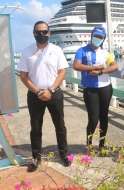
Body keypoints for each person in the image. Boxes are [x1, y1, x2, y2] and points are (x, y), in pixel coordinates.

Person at [17, 21, 71, 172]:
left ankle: (64, 154)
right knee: (35, 127)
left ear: (49, 33)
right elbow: (23, 75)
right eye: (38, 32)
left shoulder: (57, 50)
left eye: (44, 32)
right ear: (34, 33)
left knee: (60, 125)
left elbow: (62, 72)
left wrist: (51, 90)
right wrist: (37, 92)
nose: (41, 34)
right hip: (35, 94)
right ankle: (36, 158)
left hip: (54, 93)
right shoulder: (27, 51)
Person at [73, 26, 118, 154]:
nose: (97, 39)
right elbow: (76, 65)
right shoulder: (82, 50)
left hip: (105, 88)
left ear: (103, 39)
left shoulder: (105, 53)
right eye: (96, 36)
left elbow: (114, 66)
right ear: (91, 35)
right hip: (90, 89)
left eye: (100, 37)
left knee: (104, 118)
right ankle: (89, 143)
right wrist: (92, 68)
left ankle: (102, 145)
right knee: (93, 119)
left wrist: (100, 71)